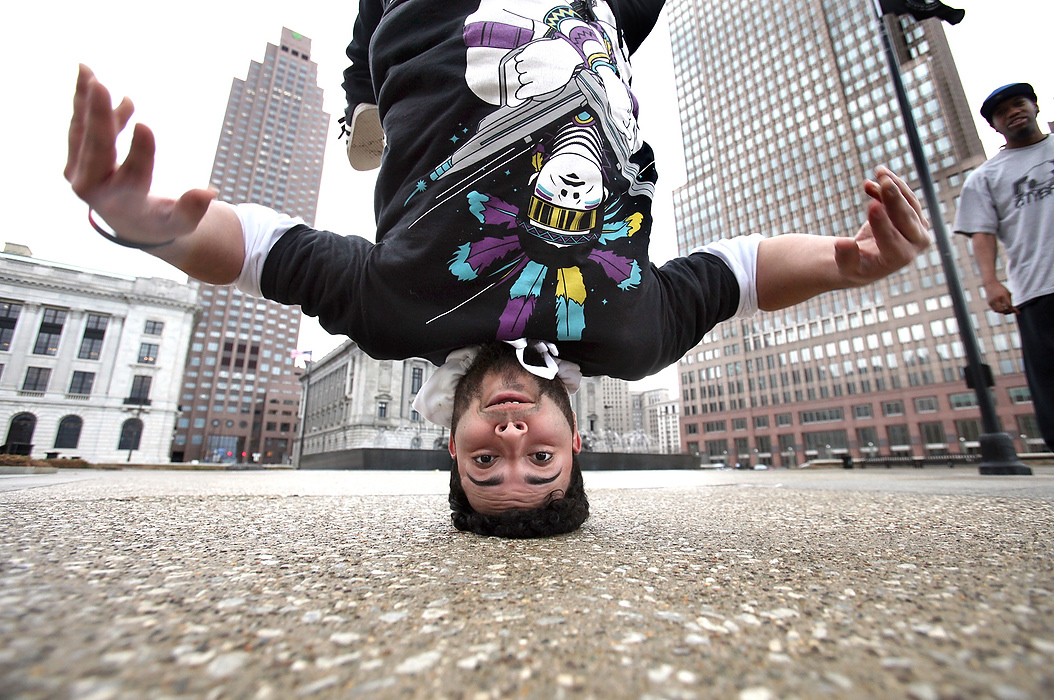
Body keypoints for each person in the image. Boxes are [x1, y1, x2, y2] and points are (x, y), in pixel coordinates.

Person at [65, 0, 930, 536]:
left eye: (484, 469)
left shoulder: (399, 316)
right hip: (597, 22)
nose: (511, 448)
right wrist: (848, 263)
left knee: (371, 43)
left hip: (438, 19)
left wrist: (142, 224)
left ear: (451, 445)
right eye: (540, 466)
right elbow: (735, 275)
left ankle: (360, 91)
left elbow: (265, 254)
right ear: (574, 443)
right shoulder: (633, 335)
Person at [953, 82, 1054, 450]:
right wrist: (991, 282)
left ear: (1035, 106)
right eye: (1002, 112)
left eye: (1019, 103)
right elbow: (982, 234)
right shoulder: (985, 177)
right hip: (1038, 288)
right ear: (995, 126)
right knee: (1049, 376)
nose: (1013, 112)